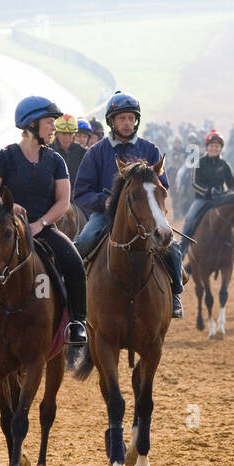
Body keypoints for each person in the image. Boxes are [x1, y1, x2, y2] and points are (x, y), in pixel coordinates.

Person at [0, 96, 88, 349]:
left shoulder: (55, 161)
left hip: (42, 230)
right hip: (5, 229)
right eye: (49, 122)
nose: (53, 127)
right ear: (32, 124)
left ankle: (77, 322)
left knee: (74, 263)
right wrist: (6, 208)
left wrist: (41, 223)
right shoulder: (5, 156)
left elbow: (63, 201)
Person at [72, 91, 185, 319]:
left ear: (136, 121)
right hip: (106, 216)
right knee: (83, 242)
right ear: (112, 121)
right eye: (122, 118)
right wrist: (103, 201)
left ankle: (175, 293)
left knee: (171, 246)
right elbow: (81, 192)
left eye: (131, 118)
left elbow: (162, 185)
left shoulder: (149, 150)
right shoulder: (96, 152)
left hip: (145, 215)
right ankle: (76, 298)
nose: (127, 123)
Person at [176, 130, 234, 262]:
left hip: (220, 199)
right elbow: (194, 183)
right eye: (212, 146)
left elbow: (232, 184)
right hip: (202, 199)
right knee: (190, 218)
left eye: (217, 146)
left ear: (221, 148)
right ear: (207, 147)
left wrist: (227, 193)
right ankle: (183, 247)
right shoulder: (200, 162)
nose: (214, 148)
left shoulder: (224, 164)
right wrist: (208, 192)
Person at [51, 113, 86, 180]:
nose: (66, 138)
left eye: (70, 134)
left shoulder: (83, 152)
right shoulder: (47, 152)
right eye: (63, 134)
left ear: (74, 134)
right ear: (57, 133)